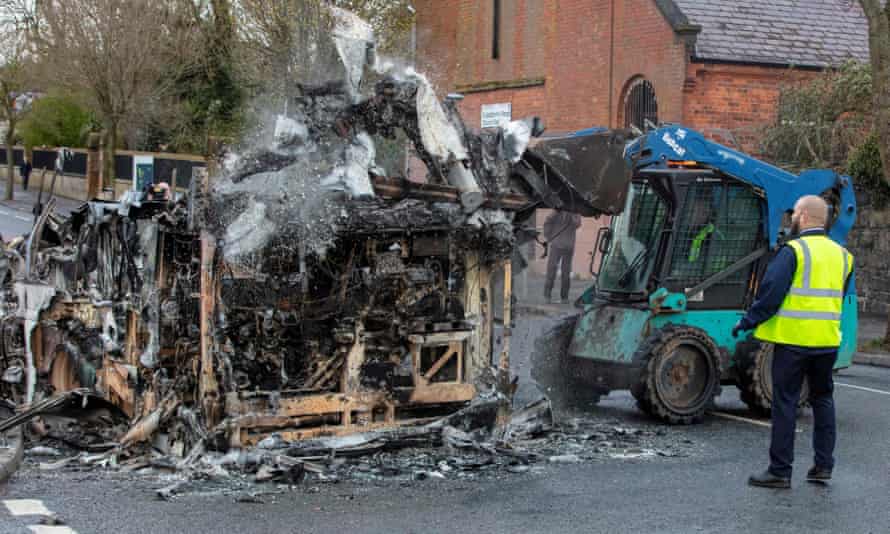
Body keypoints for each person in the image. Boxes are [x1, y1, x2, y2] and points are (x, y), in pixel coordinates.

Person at [732, 195, 853, 489]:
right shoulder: (843, 256)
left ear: (805, 216)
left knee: (785, 402)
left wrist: (746, 322)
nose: (792, 219)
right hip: (826, 342)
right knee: (823, 399)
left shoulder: (794, 251)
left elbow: (771, 294)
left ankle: (780, 471)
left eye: (795, 213)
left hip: (793, 341)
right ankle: (823, 466)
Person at [543, 210, 582, 304]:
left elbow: (577, 224)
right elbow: (548, 221)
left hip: (568, 247)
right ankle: (547, 295)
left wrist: (571, 214)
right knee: (551, 270)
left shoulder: (574, 211)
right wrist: (549, 236)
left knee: (566, 272)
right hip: (556, 245)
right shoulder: (557, 211)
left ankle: (564, 297)